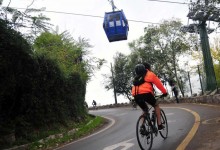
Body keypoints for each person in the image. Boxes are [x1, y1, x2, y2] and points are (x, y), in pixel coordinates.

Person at [131, 64, 168, 130]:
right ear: (147, 68)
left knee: (145, 109)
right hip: (146, 94)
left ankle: (142, 127)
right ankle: (159, 125)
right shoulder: (150, 74)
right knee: (156, 105)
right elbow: (159, 84)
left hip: (135, 95)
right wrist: (164, 92)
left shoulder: (136, 78)